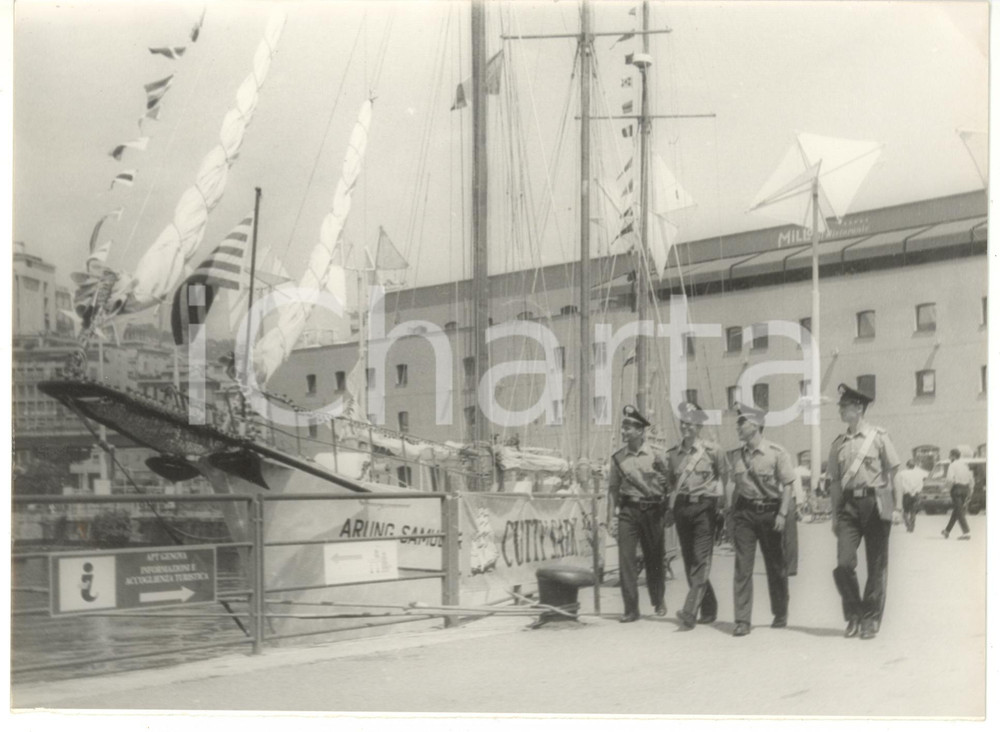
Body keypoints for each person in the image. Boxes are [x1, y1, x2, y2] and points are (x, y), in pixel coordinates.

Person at [829, 383, 901, 640]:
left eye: (844, 405)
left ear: (858, 408)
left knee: (876, 564)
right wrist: (834, 515)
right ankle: (854, 614)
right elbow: (835, 483)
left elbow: (894, 472)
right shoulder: (838, 444)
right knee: (843, 564)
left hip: (875, 503)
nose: (840, 409)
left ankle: (869, 618)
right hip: (848, 506)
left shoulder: (878, 437)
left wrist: (898, 507)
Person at [725, 403, 796, 637]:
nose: (737, 427)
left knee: (775, 565)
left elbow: (788, 484)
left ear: (755, 425)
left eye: (742, 422)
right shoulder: (736, 456)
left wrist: (782, 513)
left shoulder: (776, 452)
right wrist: (729, 516)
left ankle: (780, 611)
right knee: (742, 567)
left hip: (770, 513)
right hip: (744, 514)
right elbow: (734, 487)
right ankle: (742, 620)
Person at [666, 401, 727, 630]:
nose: (685, 427)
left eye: (690, 424)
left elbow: (724, 477)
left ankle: (690, 611)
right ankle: (709, 607)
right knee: (690, 561)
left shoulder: (713, 451)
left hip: (704, 508)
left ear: (699, 426)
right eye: (683, 423)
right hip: (682, 509)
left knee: (701, 560)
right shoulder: (673, 455)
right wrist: (670, 509)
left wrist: (721, 505)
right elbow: (671, 483)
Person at [607, 405, 671, 622]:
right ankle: (631, 609)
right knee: (626, 559)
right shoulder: (618, 458)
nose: (623, 431)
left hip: (653, 510)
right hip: (629, 510)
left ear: (640, 431)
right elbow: (613, 490)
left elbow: (670, 484)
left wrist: (666, 494)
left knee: (654, 557)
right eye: (623, 427)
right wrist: (611, 518)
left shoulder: (657, 455)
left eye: (628, 428)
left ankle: (658, 599)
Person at [941, 448, 973, 540]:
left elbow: (950, 479)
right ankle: (947, 531)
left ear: (953, 456)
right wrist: (970, 491)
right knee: (957, 510)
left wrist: (946, 488)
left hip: (957, 489)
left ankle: (966, 532)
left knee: (959, 511)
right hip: (965, 489)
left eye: (950, 455)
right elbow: (971, 479)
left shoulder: (952, 465)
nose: (949, 457)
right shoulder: (965, 465)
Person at [896, 459, 927, 533]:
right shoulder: (919, 473)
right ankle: (912, 526)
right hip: (916, 494)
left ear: (907, 466)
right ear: (914, 466)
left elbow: (900, 483)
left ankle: (908, 525)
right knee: (913, 511)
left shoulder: (902, 473)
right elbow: (925, 477)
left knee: (905, 511)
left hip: (906, 494)